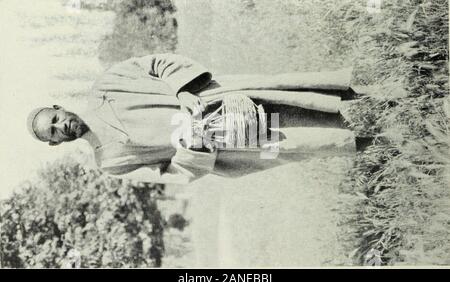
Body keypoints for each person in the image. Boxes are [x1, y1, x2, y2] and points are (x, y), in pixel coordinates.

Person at [27, 53, 363, 184]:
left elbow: (156, 64)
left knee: (300, 98)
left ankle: (374, 96)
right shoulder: (110, 163)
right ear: (55, 144)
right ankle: (377, 139)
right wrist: (193, 149)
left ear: (58, 107)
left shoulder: (106, 86)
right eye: (53, 133)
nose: (60, 127)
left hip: (221, 98)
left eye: (54, 119)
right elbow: (175, 175)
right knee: (315, 141)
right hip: (232, 146)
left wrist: (182, 90)